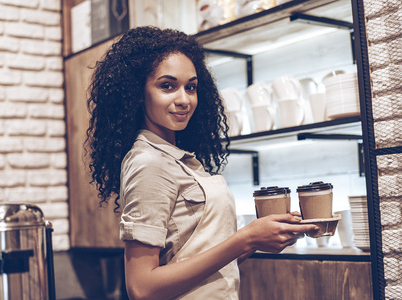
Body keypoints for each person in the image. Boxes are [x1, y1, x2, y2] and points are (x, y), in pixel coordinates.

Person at [85, 26, 318, 300]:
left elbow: (196, 257)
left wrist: (258, 239)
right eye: (167, 86)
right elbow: (142, 287)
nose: (183, 99)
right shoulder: (148, 162)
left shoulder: (178, 158)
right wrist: (245, 238)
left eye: (191, 87)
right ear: (139, 92)